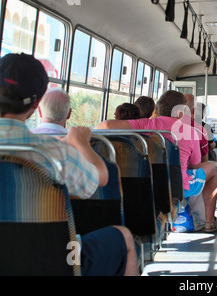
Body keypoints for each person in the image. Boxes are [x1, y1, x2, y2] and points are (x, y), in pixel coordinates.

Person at [0, 53, 138, 276]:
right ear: (36, 103)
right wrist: (81, 142)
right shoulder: (55, 154)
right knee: (123, 236)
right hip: (57, 258)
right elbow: (99, 180)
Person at [95, 90, 217, 233]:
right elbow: (196, 165)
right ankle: (209, 222)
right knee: (212, 168)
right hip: (178, 187)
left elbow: (105, 126)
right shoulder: (190, 132)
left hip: (146, 184)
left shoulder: (146, 125)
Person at [184, 94, 209, 162]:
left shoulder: (163, 126)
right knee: (214, 166)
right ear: (194, 111)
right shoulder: (199, 130)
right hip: (190, 169)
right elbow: (204, 161)